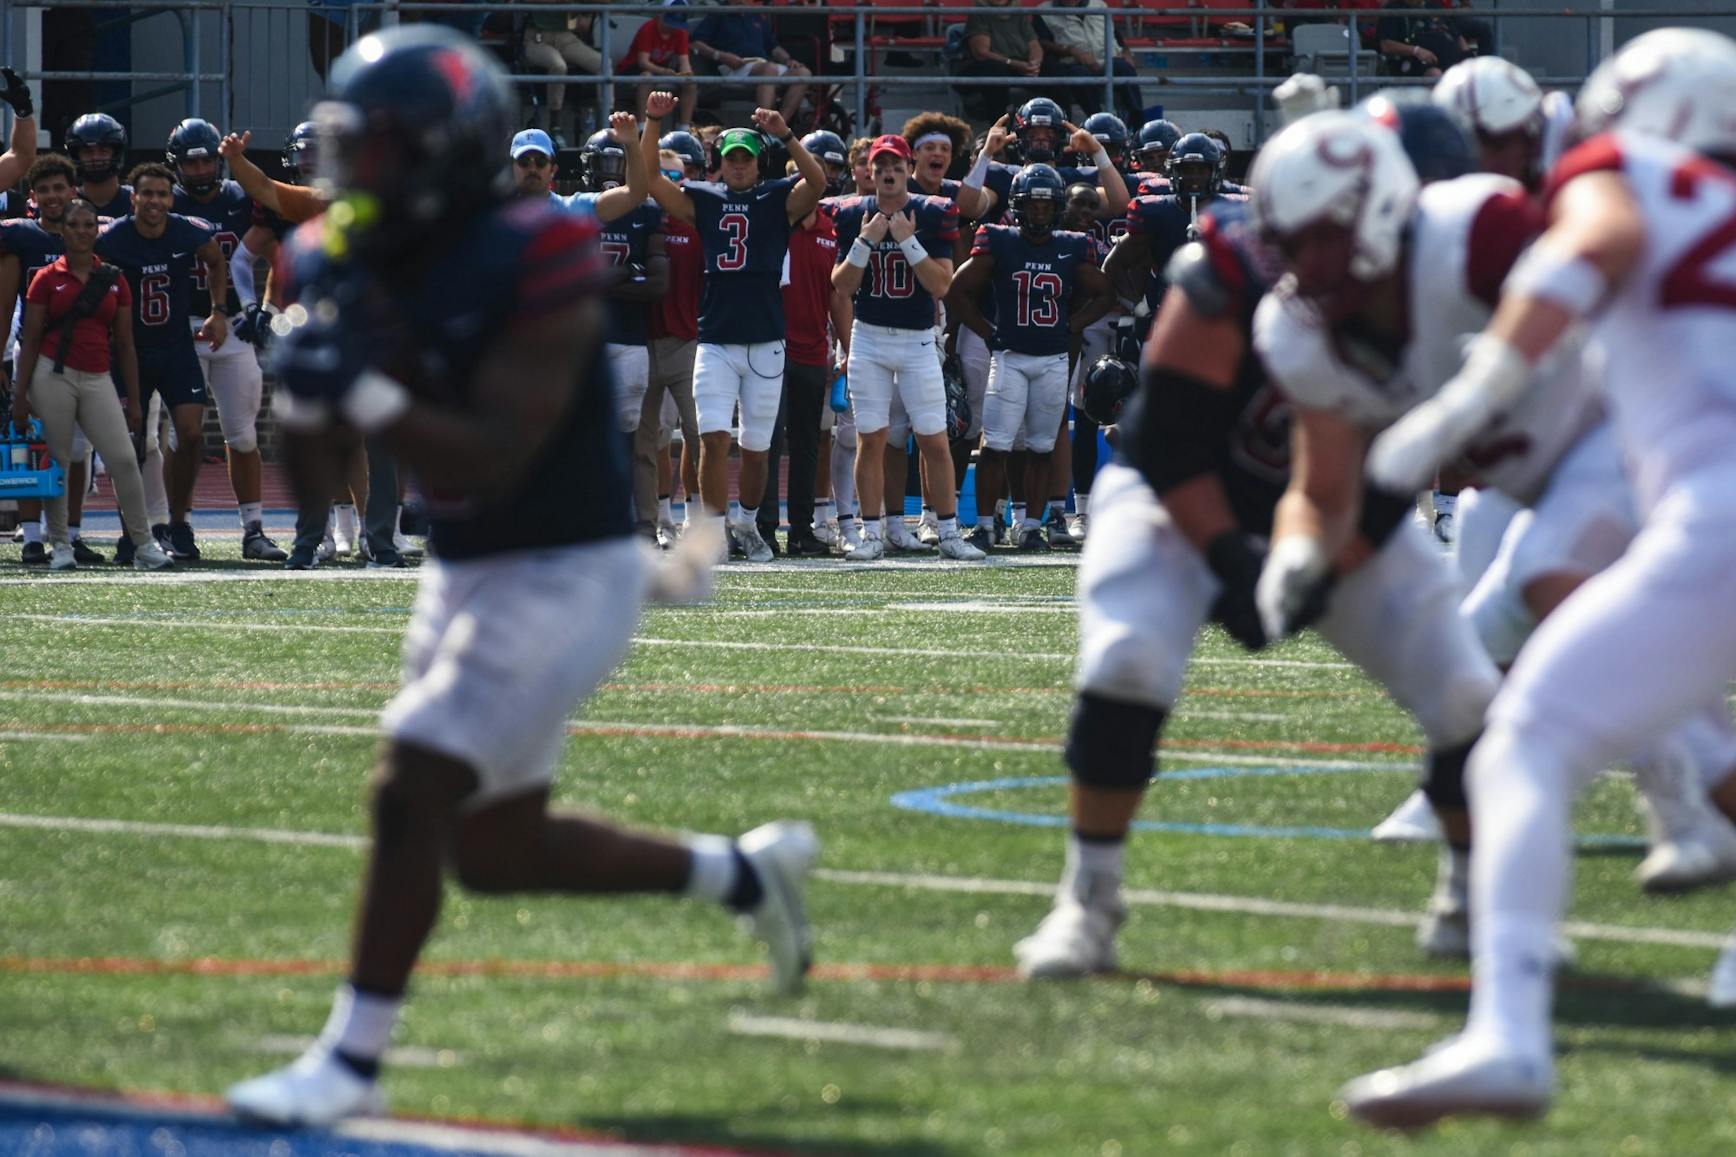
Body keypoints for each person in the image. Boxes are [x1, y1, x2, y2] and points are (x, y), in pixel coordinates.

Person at [224, 25, 817, 1128]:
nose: (353, 169)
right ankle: (740, 874)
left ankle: (348, 1062)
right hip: (464, 564)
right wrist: (302, 390)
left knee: (412, 786)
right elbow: (316, 489)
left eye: (377, 145)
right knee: (493, 849)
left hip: (567, 564)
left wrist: (358, 390)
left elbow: (496, 447)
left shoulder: (534, 245)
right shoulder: (330, 251)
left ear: (445, 148)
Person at [1338, 29, 1736, 1126]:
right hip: (1697, 512)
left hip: (1717, 513)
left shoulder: (1626, 174)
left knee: (1523, 738)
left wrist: (1471, 398)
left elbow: (1588, 245)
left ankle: (1507, 1032)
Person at [638, 91, 826, 563]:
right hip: (717, 338)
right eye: (730, 159)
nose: (738, 166)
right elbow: (647, 181)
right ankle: (715, 530)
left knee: (758, 449)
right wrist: (652, 123)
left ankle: (746, 522)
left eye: (745, 159)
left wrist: (786, 134)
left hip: (766, 339)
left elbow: (818, 181)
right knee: (713, 439)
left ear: (758, 163)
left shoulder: (776, 199)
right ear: (720, 162)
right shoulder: (704, 198)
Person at [830, 135, 983, 562]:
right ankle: (872, 533)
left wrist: (907, 241)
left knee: (933, 438)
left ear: (907, 166)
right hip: (870, 336)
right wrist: (865, 242)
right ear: (870, 172)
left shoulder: (932, 213)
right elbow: (841, 286)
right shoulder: (853, 215)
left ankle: (948, 532)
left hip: (917, 340)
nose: (888, 173)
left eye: (895, 165)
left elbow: (941, 285)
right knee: (871, 438)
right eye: (880, 167)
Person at [949, 164, 1114, 552]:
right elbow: (957, 291)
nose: (1039, 213)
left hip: (1053, 359)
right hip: (1009, 355)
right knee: (996, 445)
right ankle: (987, 525)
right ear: (1018, 207)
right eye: (1032, 205)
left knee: (1042, 447)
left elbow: (1105, 293)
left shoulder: (1072, 245)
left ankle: (1031, 526)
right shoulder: (1000, 240)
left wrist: (1074, 325)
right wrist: (988, 333)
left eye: (1046, 206)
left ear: (1056, 207)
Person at [9, 196, 172, 571]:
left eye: (88, 225)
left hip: (98, 376)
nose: (82, 232)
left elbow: (126, 344)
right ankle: (62, 543)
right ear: (62, 231)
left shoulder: (113, 278)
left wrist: (134, 399)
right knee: (59, 461)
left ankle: (143, 542)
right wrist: (20, 397)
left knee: (125, 460)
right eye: (74, 225)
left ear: (97, 230)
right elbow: (30, 339)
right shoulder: (45, 278)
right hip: (53, 374)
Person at [96, 163, 230, 562]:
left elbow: (216, 260)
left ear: (170, 199)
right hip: (129, 352)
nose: (154, 201)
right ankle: (131, 533)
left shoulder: (185, 229)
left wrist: (219, 310)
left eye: (161, 194)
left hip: (174, 348)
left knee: (190, 433)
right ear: (133, 198)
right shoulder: (113, 237)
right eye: (147, 194)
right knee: (131, 445)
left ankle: (178, 522)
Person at [168, 118, 288, 563]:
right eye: (190, 162)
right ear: (176, 166)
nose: (199, 170)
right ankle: (177, 525)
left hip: (233, 326)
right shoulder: (165, 200)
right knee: (186, 435)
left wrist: (263, 309)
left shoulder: (241, 199)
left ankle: (253, 529)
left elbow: (275, 249)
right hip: (180, 328)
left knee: (242, 435)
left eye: (205, 160)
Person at [2, 154, 76, 566]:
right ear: (32, 196)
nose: (52, 196)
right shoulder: (22, 237)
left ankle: (73, 532)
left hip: (81, 353)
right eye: (44, 189)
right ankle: (32, 535)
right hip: (31, 351)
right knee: (26, 444)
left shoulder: (89, 232)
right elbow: (5, 302)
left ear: (72, 191)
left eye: (59, 187)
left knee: (77, 450)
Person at [636, 129, 707, 548]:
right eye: (661, 174)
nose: (670, 182)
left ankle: (701, 522)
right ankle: (653, 521)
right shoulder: (635, 218)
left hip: (688, 341)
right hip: (641, 343)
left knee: (703, 438)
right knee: (646, 442)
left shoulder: (700, 221)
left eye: (677, 175)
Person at [691, 1, 812, 125]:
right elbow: (695, 43)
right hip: (733, 67)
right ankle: (763, 127)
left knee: (803, 73)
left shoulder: (756, 15)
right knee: (769, 69)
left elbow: (773, 47)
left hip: (762, 65)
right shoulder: (718, 14)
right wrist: (721, 56)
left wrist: (788, 60)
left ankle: (779, 127)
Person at [1038, 0, 1144, 124]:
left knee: (1125, 68)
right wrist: (1071, 51)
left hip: (1109, 60)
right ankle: (1099, 122)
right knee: (1080, 76)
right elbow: (1043, 43)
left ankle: (1139, 124)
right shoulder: (1043, 12)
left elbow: (1115, 35)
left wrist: (1126, 52)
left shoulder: (1100, 5)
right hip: (1073, 63)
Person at [522, 1, 601, 148]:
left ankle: (606, 124)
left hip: (565, 37)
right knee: (558, 65)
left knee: (603, 64)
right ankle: (555, 127)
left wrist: (585, 13)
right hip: (536, 36)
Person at [957, 0, 1052, 122]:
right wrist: (1013, 63)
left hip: (1020, 64)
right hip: (989, 65)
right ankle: (999, 129)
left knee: (1053, 67)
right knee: (994, 71)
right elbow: (982, 53)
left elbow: (1034, 44)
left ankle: (1063, 127)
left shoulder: (1018, 12)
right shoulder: (979, 12)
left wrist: (1035, 64)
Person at [619, 0, 699, 130]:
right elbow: (643, 62)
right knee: (647, 77)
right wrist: (664, 72)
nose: (672, 26)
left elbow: (684, 62)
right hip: (634, 69)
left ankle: (684, 128)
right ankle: (642, 126)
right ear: (662, 14)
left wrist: (686, 75)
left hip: (663, 71)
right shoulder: (648, 28)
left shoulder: (680, 31)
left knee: (691, 82)